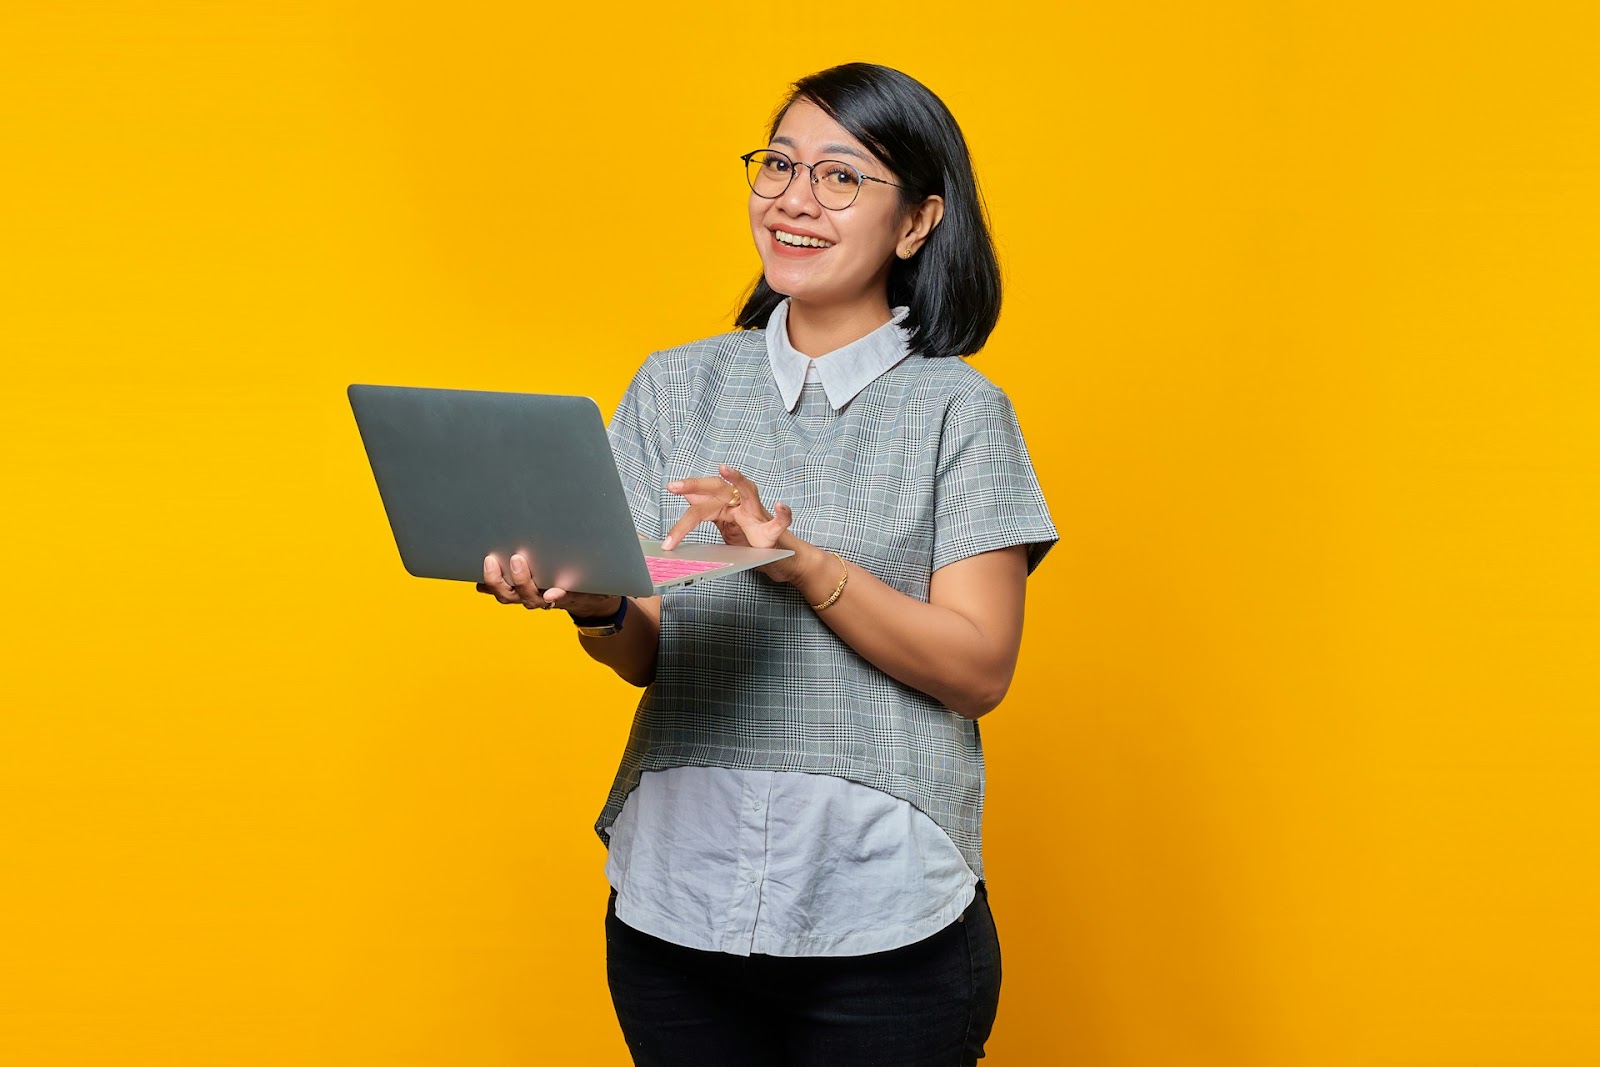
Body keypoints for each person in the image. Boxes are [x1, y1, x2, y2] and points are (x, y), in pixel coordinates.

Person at [478, 62, 1056, 1067]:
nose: (794, 197)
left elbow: (977, 668)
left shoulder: (959, 411)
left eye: (840, 176)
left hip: (882, 915)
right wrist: (598, 602)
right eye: (779, 164)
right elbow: (646, 651)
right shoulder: (674, 385)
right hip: (676, 900)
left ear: (916, 223)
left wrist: (797, 560)